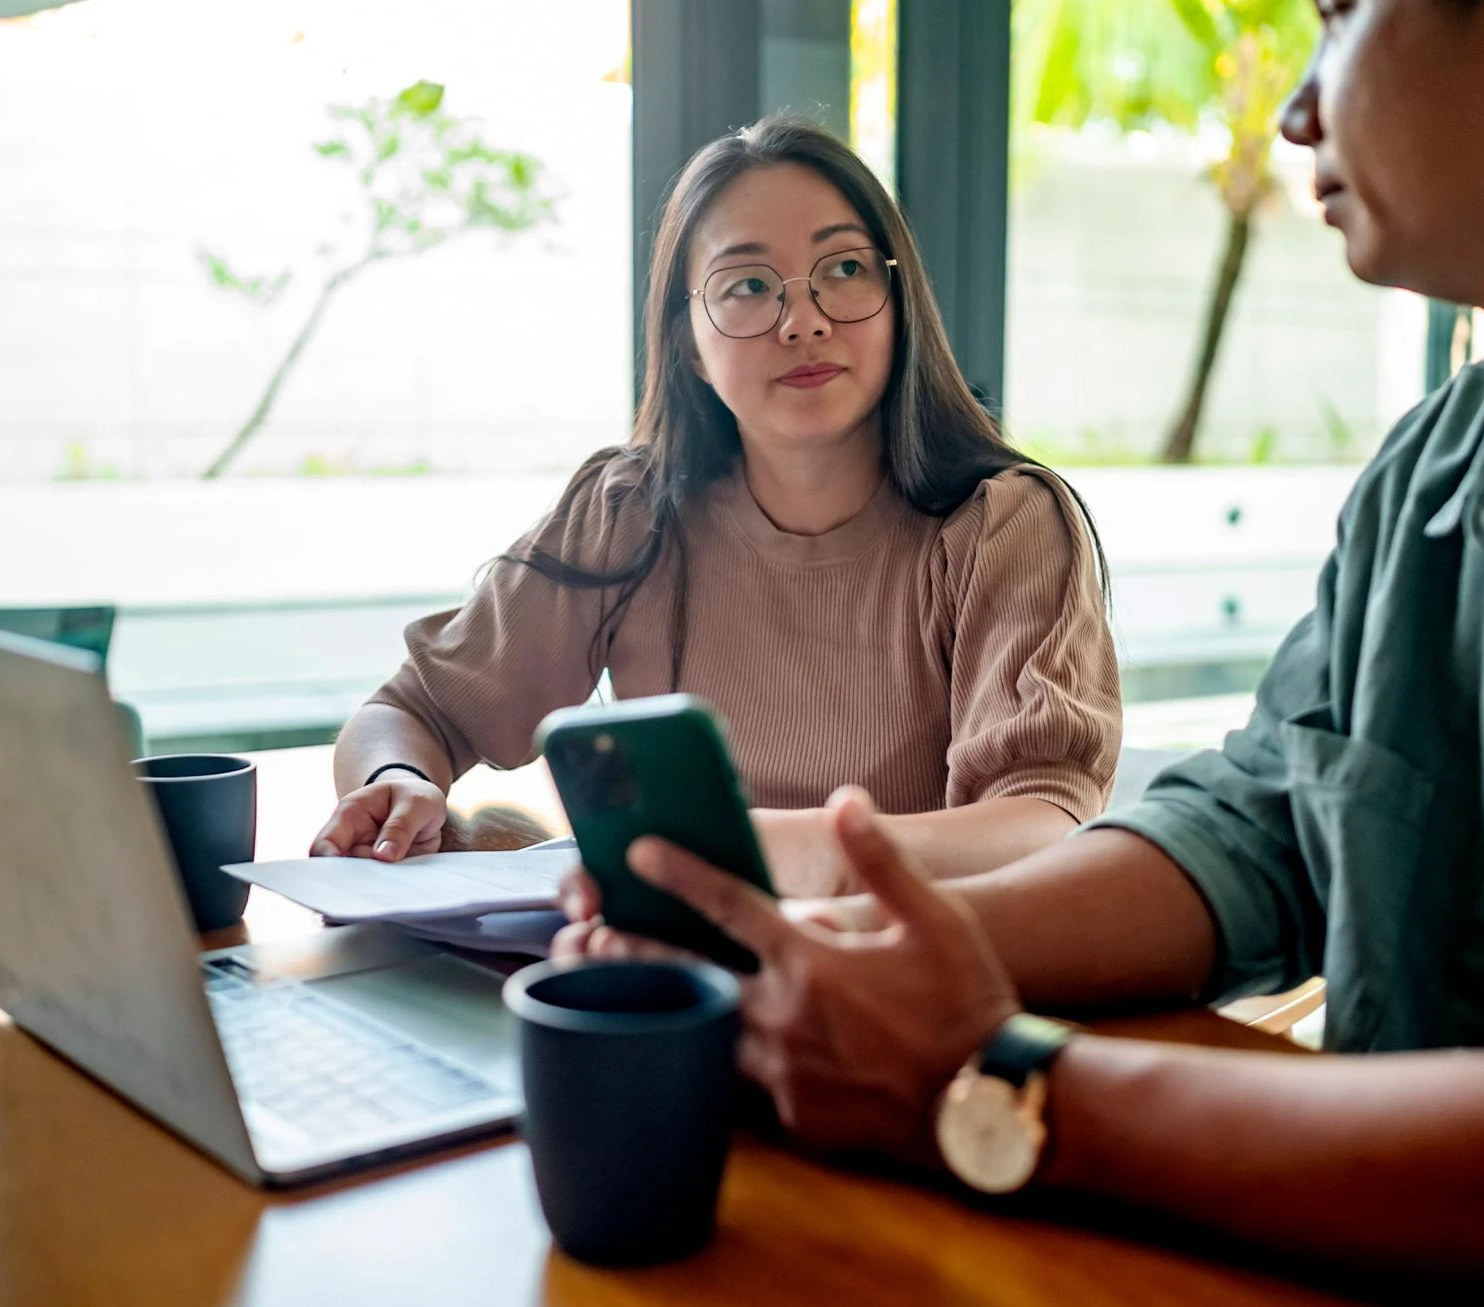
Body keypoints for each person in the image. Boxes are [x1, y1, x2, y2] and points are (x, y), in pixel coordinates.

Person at [560, 0, 1484, 1303]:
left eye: (1340, 17)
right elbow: (1260, 826)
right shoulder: (1438, 464)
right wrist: (833, 956)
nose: (1296, 109)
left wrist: (1001, 1089)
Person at [310, 117, 1120, 896]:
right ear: (689, 345)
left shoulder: (1003, 525)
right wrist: (396, 782)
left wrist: (799, 851)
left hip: (899, 985)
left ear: (900, 303)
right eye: (747, 286)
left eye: (844, 270)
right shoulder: (631, 512)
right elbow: (410, 711)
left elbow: (1044, 819)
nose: (803, 321)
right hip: (670, 972)